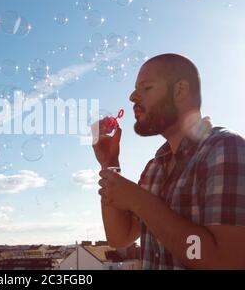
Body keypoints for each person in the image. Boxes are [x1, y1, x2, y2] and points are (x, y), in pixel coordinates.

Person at [92, 53, 245, 270]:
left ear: (180, 90)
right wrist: (109, 162)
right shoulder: (154, 167)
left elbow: (226, 262)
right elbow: (120, 237)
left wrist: (138, 200)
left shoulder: (225, 149)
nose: (133, 97)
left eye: (146, 88)